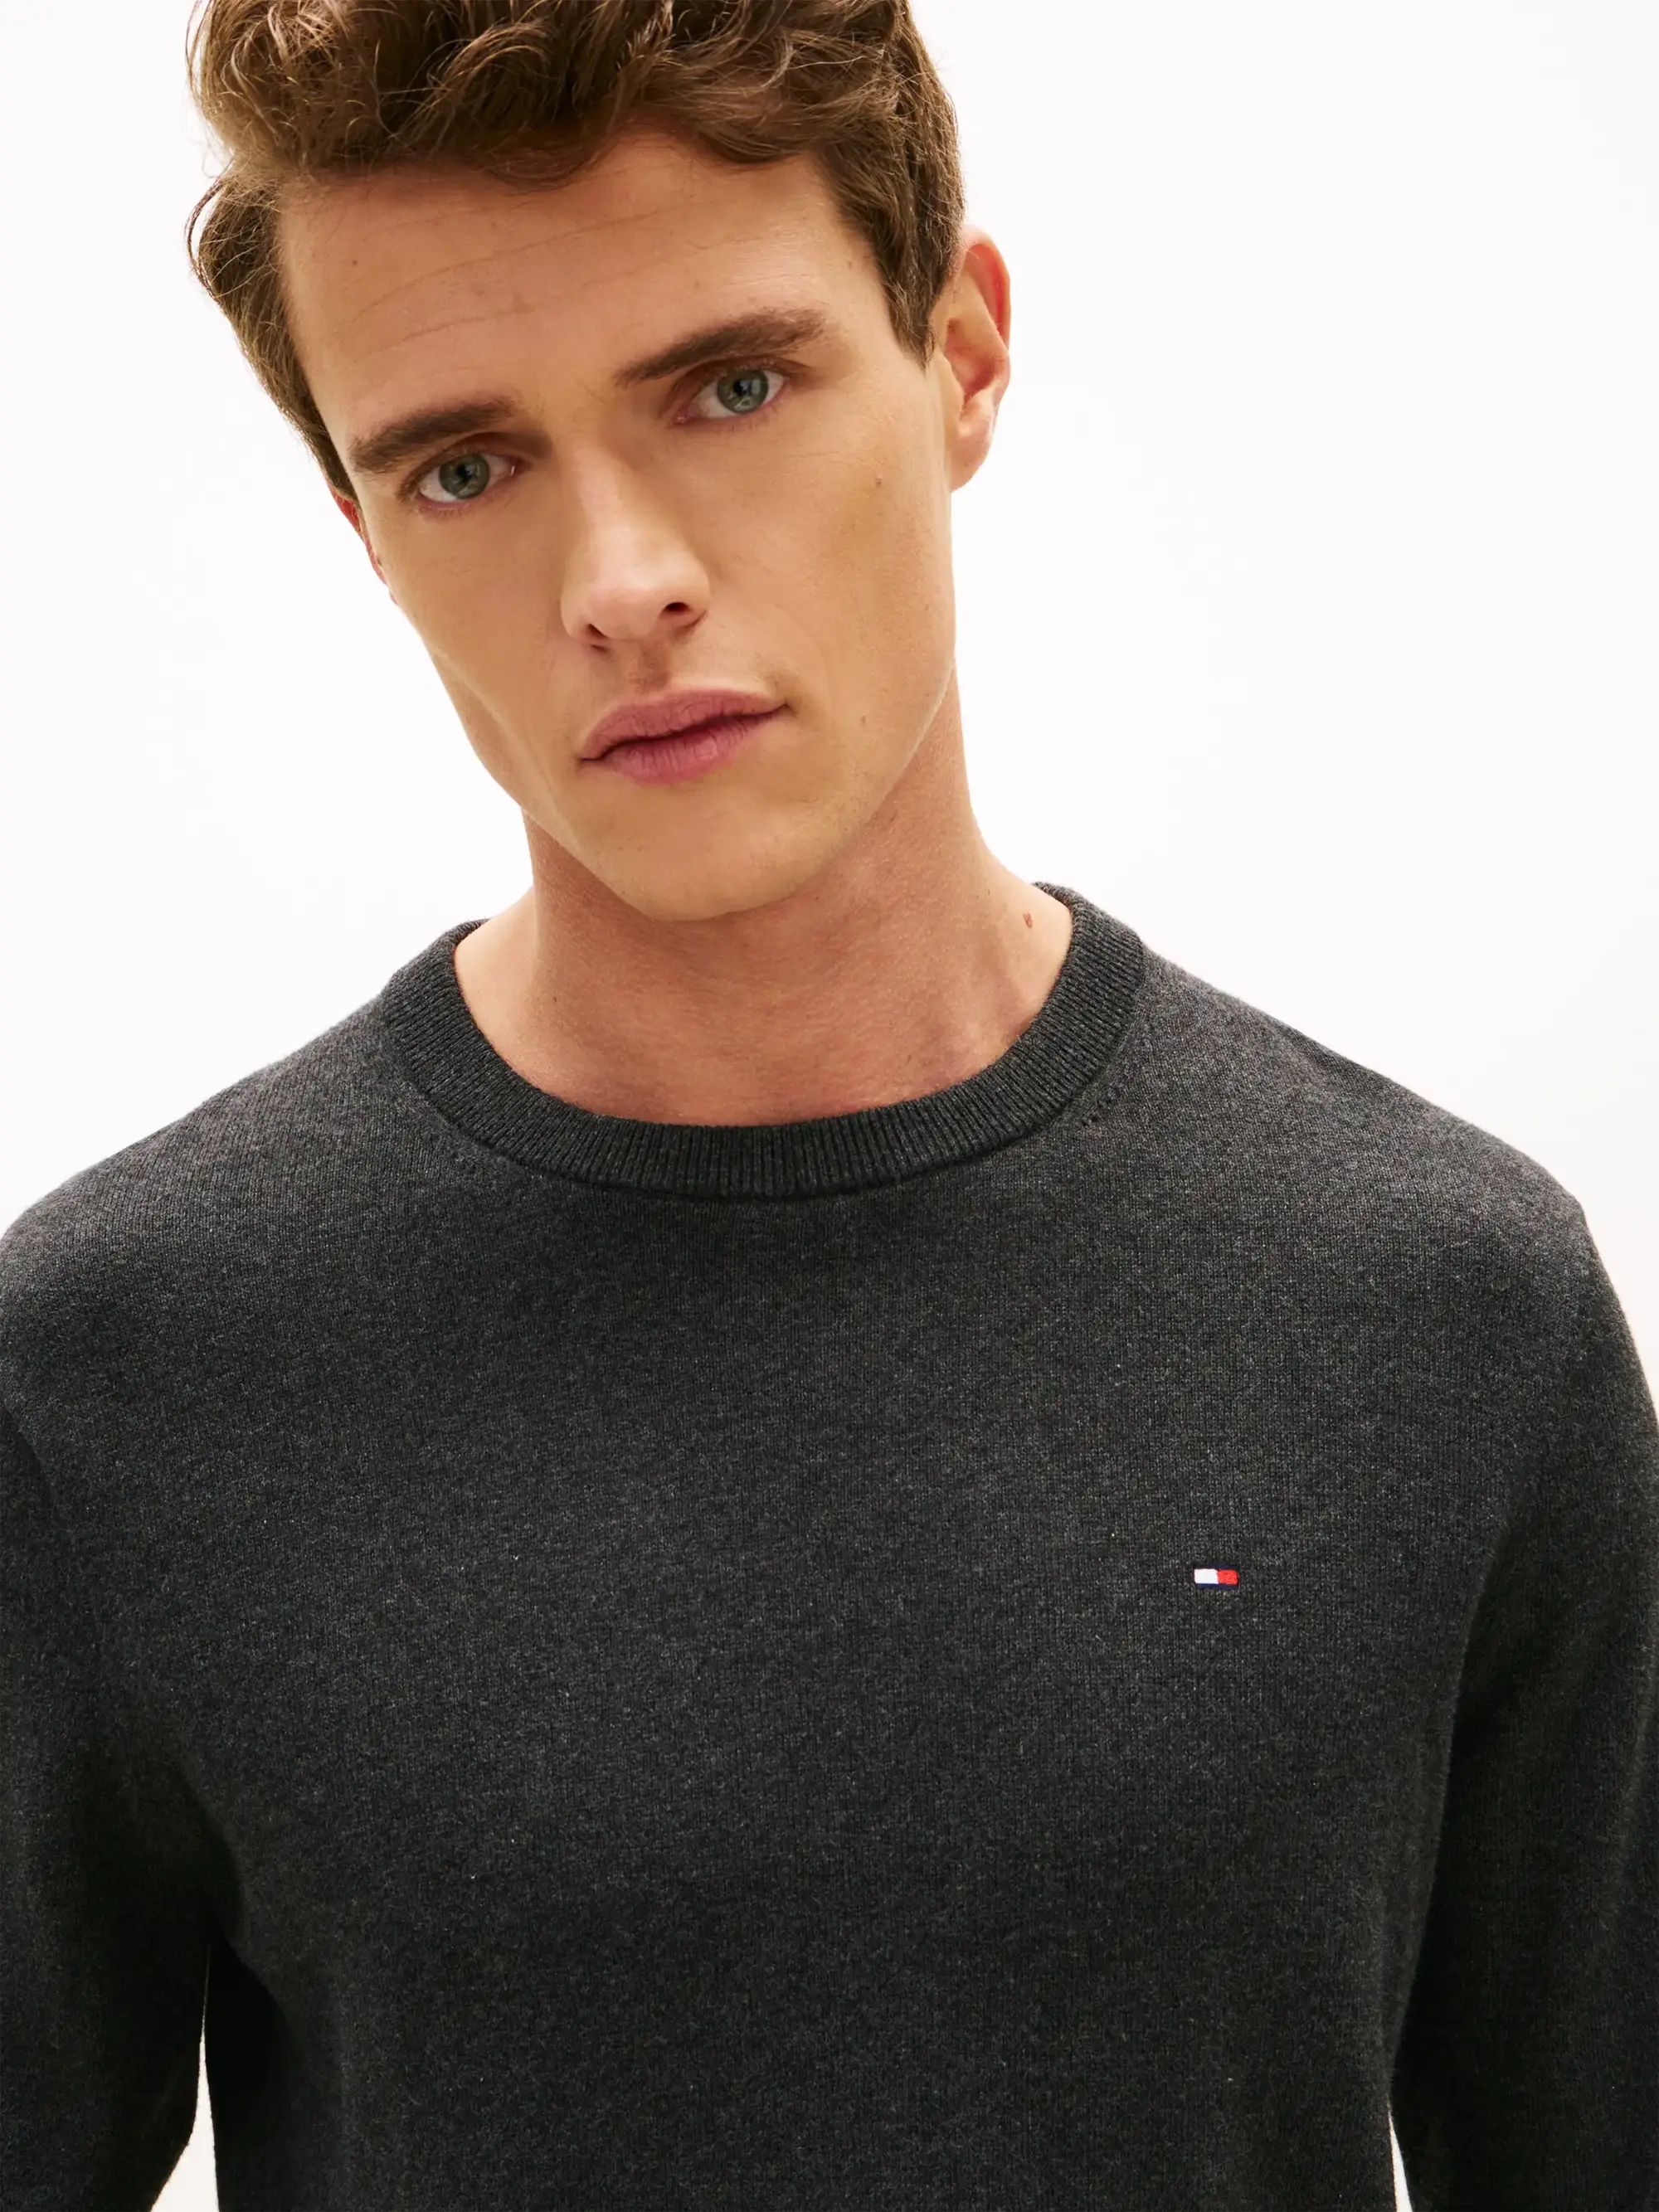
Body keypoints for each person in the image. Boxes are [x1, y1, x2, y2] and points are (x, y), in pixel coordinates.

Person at [2, 2, 1653, 2205]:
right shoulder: (121, 1366)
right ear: (365, 529)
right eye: (464, 466)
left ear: (960, 351)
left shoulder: (1441, 1310)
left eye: (731, 387)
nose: (623, 586)